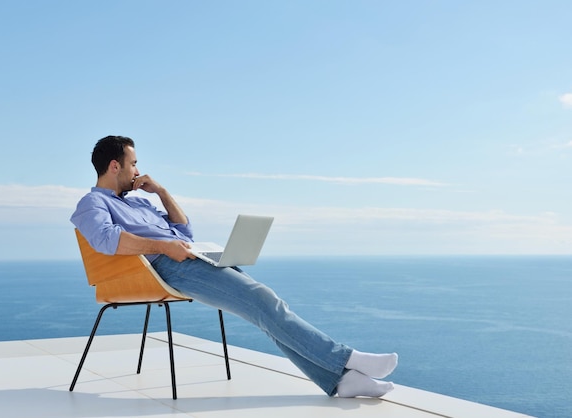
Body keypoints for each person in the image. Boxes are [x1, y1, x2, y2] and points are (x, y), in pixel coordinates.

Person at [71, 135, 398, 398]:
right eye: (134, 164)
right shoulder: (92, 203)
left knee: (264, 306)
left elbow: (185, 232)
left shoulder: (140, 202)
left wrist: (162, 192)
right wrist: (163, 246)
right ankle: (346, 359)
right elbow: (104, 239)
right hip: (166, 268)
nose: (138, 171)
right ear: (115, 166)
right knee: (263, 301)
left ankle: (341, 382)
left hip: (186, 257)